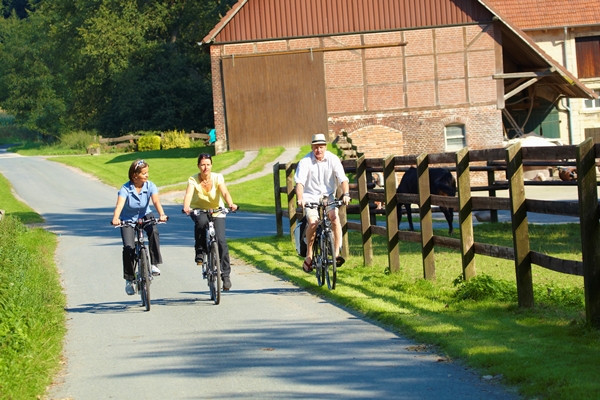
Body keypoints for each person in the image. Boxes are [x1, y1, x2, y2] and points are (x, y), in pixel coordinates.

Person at [295, 133, 351, 273]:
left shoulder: (333, 159)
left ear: (325, 147)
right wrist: (300, 198)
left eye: (321, 147)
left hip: (328, 196)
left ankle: (336, 253)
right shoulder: (305, 161)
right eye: (315, 147)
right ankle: (309, 255)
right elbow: (300, 183)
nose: (318, 150)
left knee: (335, 218)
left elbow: (343, 179)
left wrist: (346, 194)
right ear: (312, 147)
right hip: (310, 197)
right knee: (313, 222)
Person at [111, 159, 168, 295]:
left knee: (154, 230)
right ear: (135, 175)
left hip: (145, 215)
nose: (147, 175)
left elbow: (156, 201)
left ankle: (154, 264)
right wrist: (116, 218)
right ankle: (129, 280)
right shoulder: (125, 189)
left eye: (147, 172)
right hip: (127, 220)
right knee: (129, 248)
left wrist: (162, 214)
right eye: (144, 173)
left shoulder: (150, 186)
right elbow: (119, 205)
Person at [182, 153, 238, 291]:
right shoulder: (193, 179)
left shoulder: (217, 177)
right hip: (199, 210)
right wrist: (186, 207)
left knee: (221, 241)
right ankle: (200, 251)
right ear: (198, 166)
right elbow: (189, 194)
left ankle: (225, 276)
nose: (205, 167)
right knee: (200, 222)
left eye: (208, 164)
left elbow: (224, 192)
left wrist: (230, 203)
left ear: (211, 165)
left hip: (217, 210)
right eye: (202, 164)